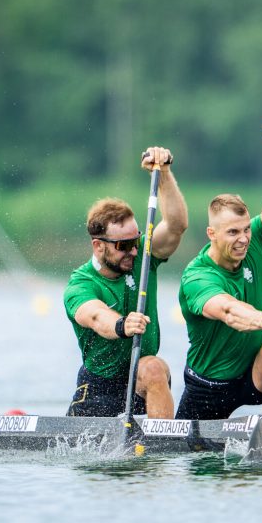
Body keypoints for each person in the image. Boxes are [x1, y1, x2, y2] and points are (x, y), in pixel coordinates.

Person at [175, 116, 262, 420]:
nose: (244, 239)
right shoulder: (197, 276)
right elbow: (229, 310)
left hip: (251, 376)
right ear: (212, 234)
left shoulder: (258, 238)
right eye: (233, 233)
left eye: (245, 229)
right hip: (208, 387)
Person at [64, 147, 188, 418]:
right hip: (99, 385)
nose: (134, 251)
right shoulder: (80, 284)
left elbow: (176, 225)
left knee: (153, 366)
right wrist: (122, 325)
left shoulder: (143, 257)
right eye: (123, 245)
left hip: (141, 378)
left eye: (136, 241)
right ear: (98, 246)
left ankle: (162, 448)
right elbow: (96, 316)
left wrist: (164, 173)